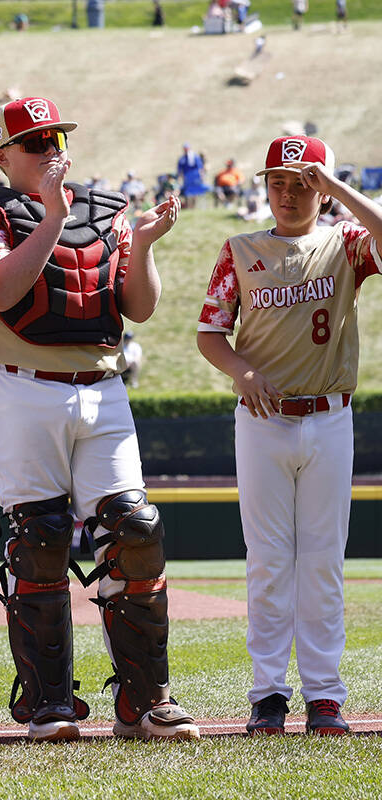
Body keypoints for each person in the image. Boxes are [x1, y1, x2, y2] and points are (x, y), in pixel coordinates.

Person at [0, 97, 197, 742]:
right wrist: (50, 220)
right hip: (21, 387)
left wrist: (143, 244)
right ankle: (49, 703)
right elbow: (3, 293)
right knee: (39, 538)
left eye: (54, 137)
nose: (48, 149)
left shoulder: (108, 210)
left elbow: (138, 307)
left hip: (102, 385)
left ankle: (145, 701)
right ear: (2, 155)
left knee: (136, 528)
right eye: (33, 141)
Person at [196, 136, 382, 737]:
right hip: (262, 420)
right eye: (278, 179)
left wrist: (337, 190)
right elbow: (210, 333)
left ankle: (325, 695)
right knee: (270, 561)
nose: (289, 191)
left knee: (323, 561)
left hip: (330, 416)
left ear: (321, 185)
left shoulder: (346, 240)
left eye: (302, 181)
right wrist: (242, 371)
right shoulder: (240, 248)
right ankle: (269, 692)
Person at [177, 144, 208, 210]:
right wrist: (180, 178)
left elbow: (200, 168)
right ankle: (188, 206)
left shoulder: (195, 157)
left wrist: (202, 177)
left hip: (196, 178)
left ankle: (193, 207)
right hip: (187, 179)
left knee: (195, 192)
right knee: (187, 193)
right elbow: (180, 171)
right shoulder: (182, 159)